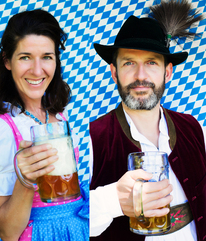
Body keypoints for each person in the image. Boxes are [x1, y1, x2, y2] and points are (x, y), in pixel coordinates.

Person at [89, 1, 206, 240]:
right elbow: (65, 220)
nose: (140, 76)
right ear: (114, 73)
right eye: (129, 63)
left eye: (151, 63)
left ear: (167, 72)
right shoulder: (90, 138)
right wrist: (114, 201)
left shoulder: (195, 129)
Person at [0, 9, 89, 241]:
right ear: (7, 61)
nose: (38, 71)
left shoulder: (60, 115)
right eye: (25, 57)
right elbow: (7, 233)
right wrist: (25, 180)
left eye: (47, 57)